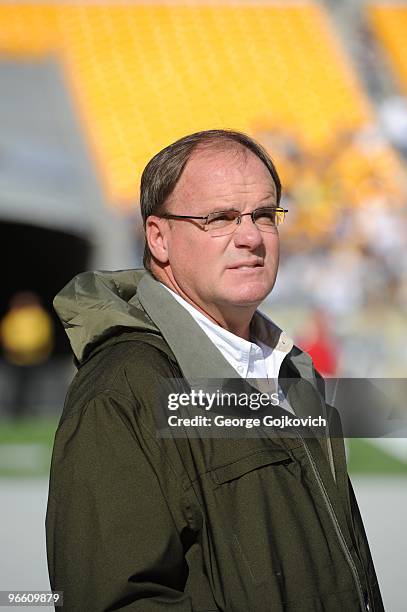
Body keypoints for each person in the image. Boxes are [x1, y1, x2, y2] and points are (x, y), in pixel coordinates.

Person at [46, 130, 383, 611]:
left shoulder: (287, 369)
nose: (250, 237)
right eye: (220, 218)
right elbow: (114, 600)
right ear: (159, 238)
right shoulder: (124, 389)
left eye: (264, 215)